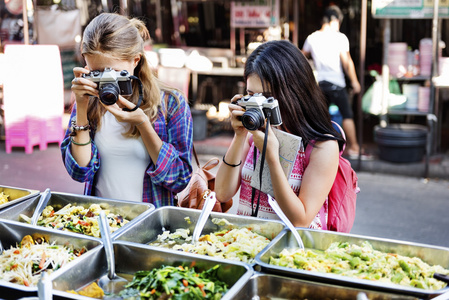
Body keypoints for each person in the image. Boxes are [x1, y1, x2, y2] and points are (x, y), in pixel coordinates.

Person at [61, 13, 193, 207]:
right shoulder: (89, 100)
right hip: (100, 225)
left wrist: (143, 125)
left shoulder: (170, 103)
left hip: (150, 227)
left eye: (114, 72)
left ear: (135, 60)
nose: (106, 81)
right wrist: (81, 107)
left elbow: (179, 179)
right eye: (97, 72)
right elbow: (80, 172)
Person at [215, 40, 345, 229]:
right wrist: (239, 135)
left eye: (267, 98)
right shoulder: (254, 134)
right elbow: (222, 193)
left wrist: (273, 158)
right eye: (251, 95)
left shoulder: (321, 146)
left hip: (290, 254)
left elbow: (300, 220)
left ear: (294, 92)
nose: (257, 105)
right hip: (247, 246)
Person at [302, 5, 369, 160]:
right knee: (347, 114)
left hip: (321, 84)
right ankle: (354, 147)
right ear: (333, 20)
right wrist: (355, 82)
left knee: (319, 116)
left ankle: (315, 147)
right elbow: (347, 62)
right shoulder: (339, 37)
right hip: (337, 83)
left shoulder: (312, 38)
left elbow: (301, 56)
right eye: (338, 22)